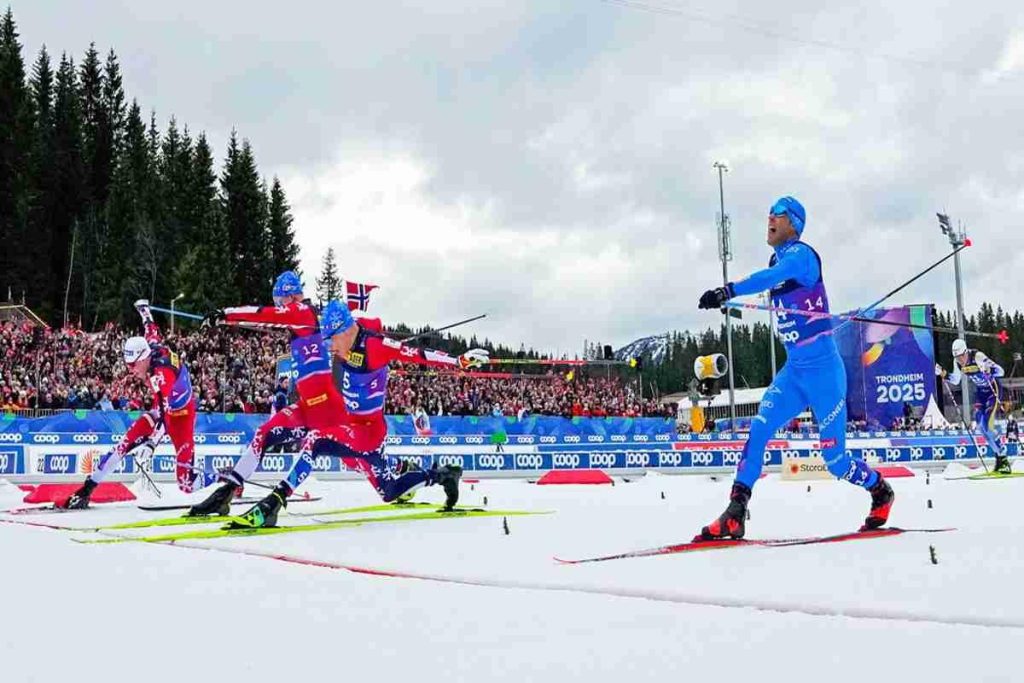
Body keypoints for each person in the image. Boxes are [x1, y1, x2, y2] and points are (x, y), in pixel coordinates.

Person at [695, 196, 893, 539]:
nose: (770, 217)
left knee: (835, 461)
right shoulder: (777, 258)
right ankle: (735, 512)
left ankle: (880, 490)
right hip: (795, 372)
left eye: (779, 214)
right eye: (769, 211)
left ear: (795, 224)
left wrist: (728, 291)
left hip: (824, 373)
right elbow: (772, 280)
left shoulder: (801, 256)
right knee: (759, 430)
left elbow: (772, 276)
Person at [226, 300, 489, 528]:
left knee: (315, 441)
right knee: (389, 492)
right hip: (356, 429)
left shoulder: (375, 347)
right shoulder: (348, 336)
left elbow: (417, 355)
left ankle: (273, 504)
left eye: (332, 339)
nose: (329, 347)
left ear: (345, 331)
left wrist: (458, 362)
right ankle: (443, 475)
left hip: (368, 433)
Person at [185, 271, 345, 516]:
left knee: (362, 463)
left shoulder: (301, 311)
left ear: (288, 296)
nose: (278, 306)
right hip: (308, 406)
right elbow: (266, 320)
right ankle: (227, 492)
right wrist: (228, 321)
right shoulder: (298, 319)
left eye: (279, 301)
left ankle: (276, 500)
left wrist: (226, 313)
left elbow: (265, 314)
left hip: (325, 406)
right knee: (263, 434)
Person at [59, 300, 198, 508]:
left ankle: (226, 482)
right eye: (128, 365)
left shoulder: (161, 375)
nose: (131, 370)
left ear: (143, 359)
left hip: (182, 415)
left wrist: (151, 444)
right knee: (124, 444)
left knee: (186, 483)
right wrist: (144, 311)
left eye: (133, 365)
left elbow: (166, 416)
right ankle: (87, 490)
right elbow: (151, 328)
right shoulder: (150, 347)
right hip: (163, 411)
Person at [938, 339, 1009, 473]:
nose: (960, 360)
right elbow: (955, 380)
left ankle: (1003, 456)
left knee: (987, 425)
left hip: (993, 390)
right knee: (982, 429)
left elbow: (1001, 371)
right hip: (981, 394)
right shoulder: (957, 363)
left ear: (966, 351)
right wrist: (942, 373)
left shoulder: (978, 356)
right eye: (957, 358)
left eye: (962, 356)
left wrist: (988, 369)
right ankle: (1000, 459)